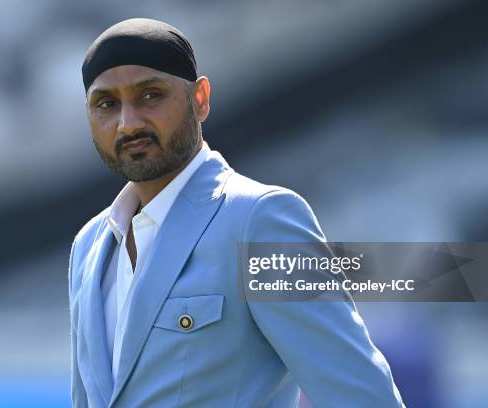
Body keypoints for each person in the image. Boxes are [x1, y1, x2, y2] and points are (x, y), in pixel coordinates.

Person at [69, 18, 404, 407]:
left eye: (150, 95)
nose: (128, 122)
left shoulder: (260, 220)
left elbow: (363, 398)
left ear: (200, 99)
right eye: (106, 104)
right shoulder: (89, 247)